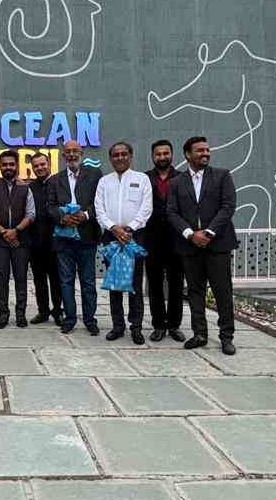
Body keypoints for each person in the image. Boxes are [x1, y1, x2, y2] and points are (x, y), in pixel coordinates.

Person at [166, 136, 238, 354]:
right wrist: (190, 235)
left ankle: (226, 337)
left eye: (207, 150)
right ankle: (200, 334)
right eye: (200, 150)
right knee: (195, 291)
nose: (205, 153)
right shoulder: (176, 182)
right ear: (188, 154)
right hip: (189, 246)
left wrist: (207, 233)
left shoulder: (222, 176)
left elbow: (228, 206)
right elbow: (171, 211)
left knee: (222, 291)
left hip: (217, 244)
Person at [95, 141, 153, 344]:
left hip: (134, 237)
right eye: (115, 155)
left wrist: (129, 229)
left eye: (123, 154)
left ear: (130, 156)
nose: (120, 158)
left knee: (135, 283)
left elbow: (146, 208)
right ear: (111, 158)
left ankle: (136, 327)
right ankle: (117, 326)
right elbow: (99, 209)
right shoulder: (104, 181)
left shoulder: (142, 179)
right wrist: (114, 228)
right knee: (114, 283)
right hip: (111, 237)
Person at [45, 140, 102, 335]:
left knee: (88, 282)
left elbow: (100, 202)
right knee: (66, 281)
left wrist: (85, 215)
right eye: (68, 151)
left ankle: (90, 320)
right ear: (63, 155)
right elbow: (49, 206)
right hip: (63, 239)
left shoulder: (95, 175)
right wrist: (63, 218)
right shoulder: (54, 180)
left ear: (81, 153)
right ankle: (69, 319)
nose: (71, 154)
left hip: (87, 236)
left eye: (75, 151)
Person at [0, 149, 36, 328]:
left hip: (21, 240)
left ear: (17, 166)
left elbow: (31, 214)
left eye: (11, 164)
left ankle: (21, 314)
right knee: (1, 277)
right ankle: (3, 314)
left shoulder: (25, 189)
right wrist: (5, 232)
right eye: (4, 164)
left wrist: (16, 230)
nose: (8, 167)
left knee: (21, 277)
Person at [145, 139, 184, 343]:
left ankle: (174, 325)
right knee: (154, 284)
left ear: (171, 154)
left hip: (178, 240)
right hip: (152, 240)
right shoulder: (144, 178)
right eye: (158, 154)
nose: (162, 157)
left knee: (176, 284)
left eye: (165, 153)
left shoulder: (183, 178)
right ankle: (159, 325)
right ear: (153, 156)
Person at [27, 152, 62, 324]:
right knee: (39, 279)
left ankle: (58, 311)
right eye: (36, 166)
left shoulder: (59, 183)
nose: (40, 168)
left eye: (42, 164)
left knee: (56, 279)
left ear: (49, 164)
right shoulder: (30, 187)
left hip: (56, 242)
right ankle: (43, 311)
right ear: (32, 168)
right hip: (36, 243)